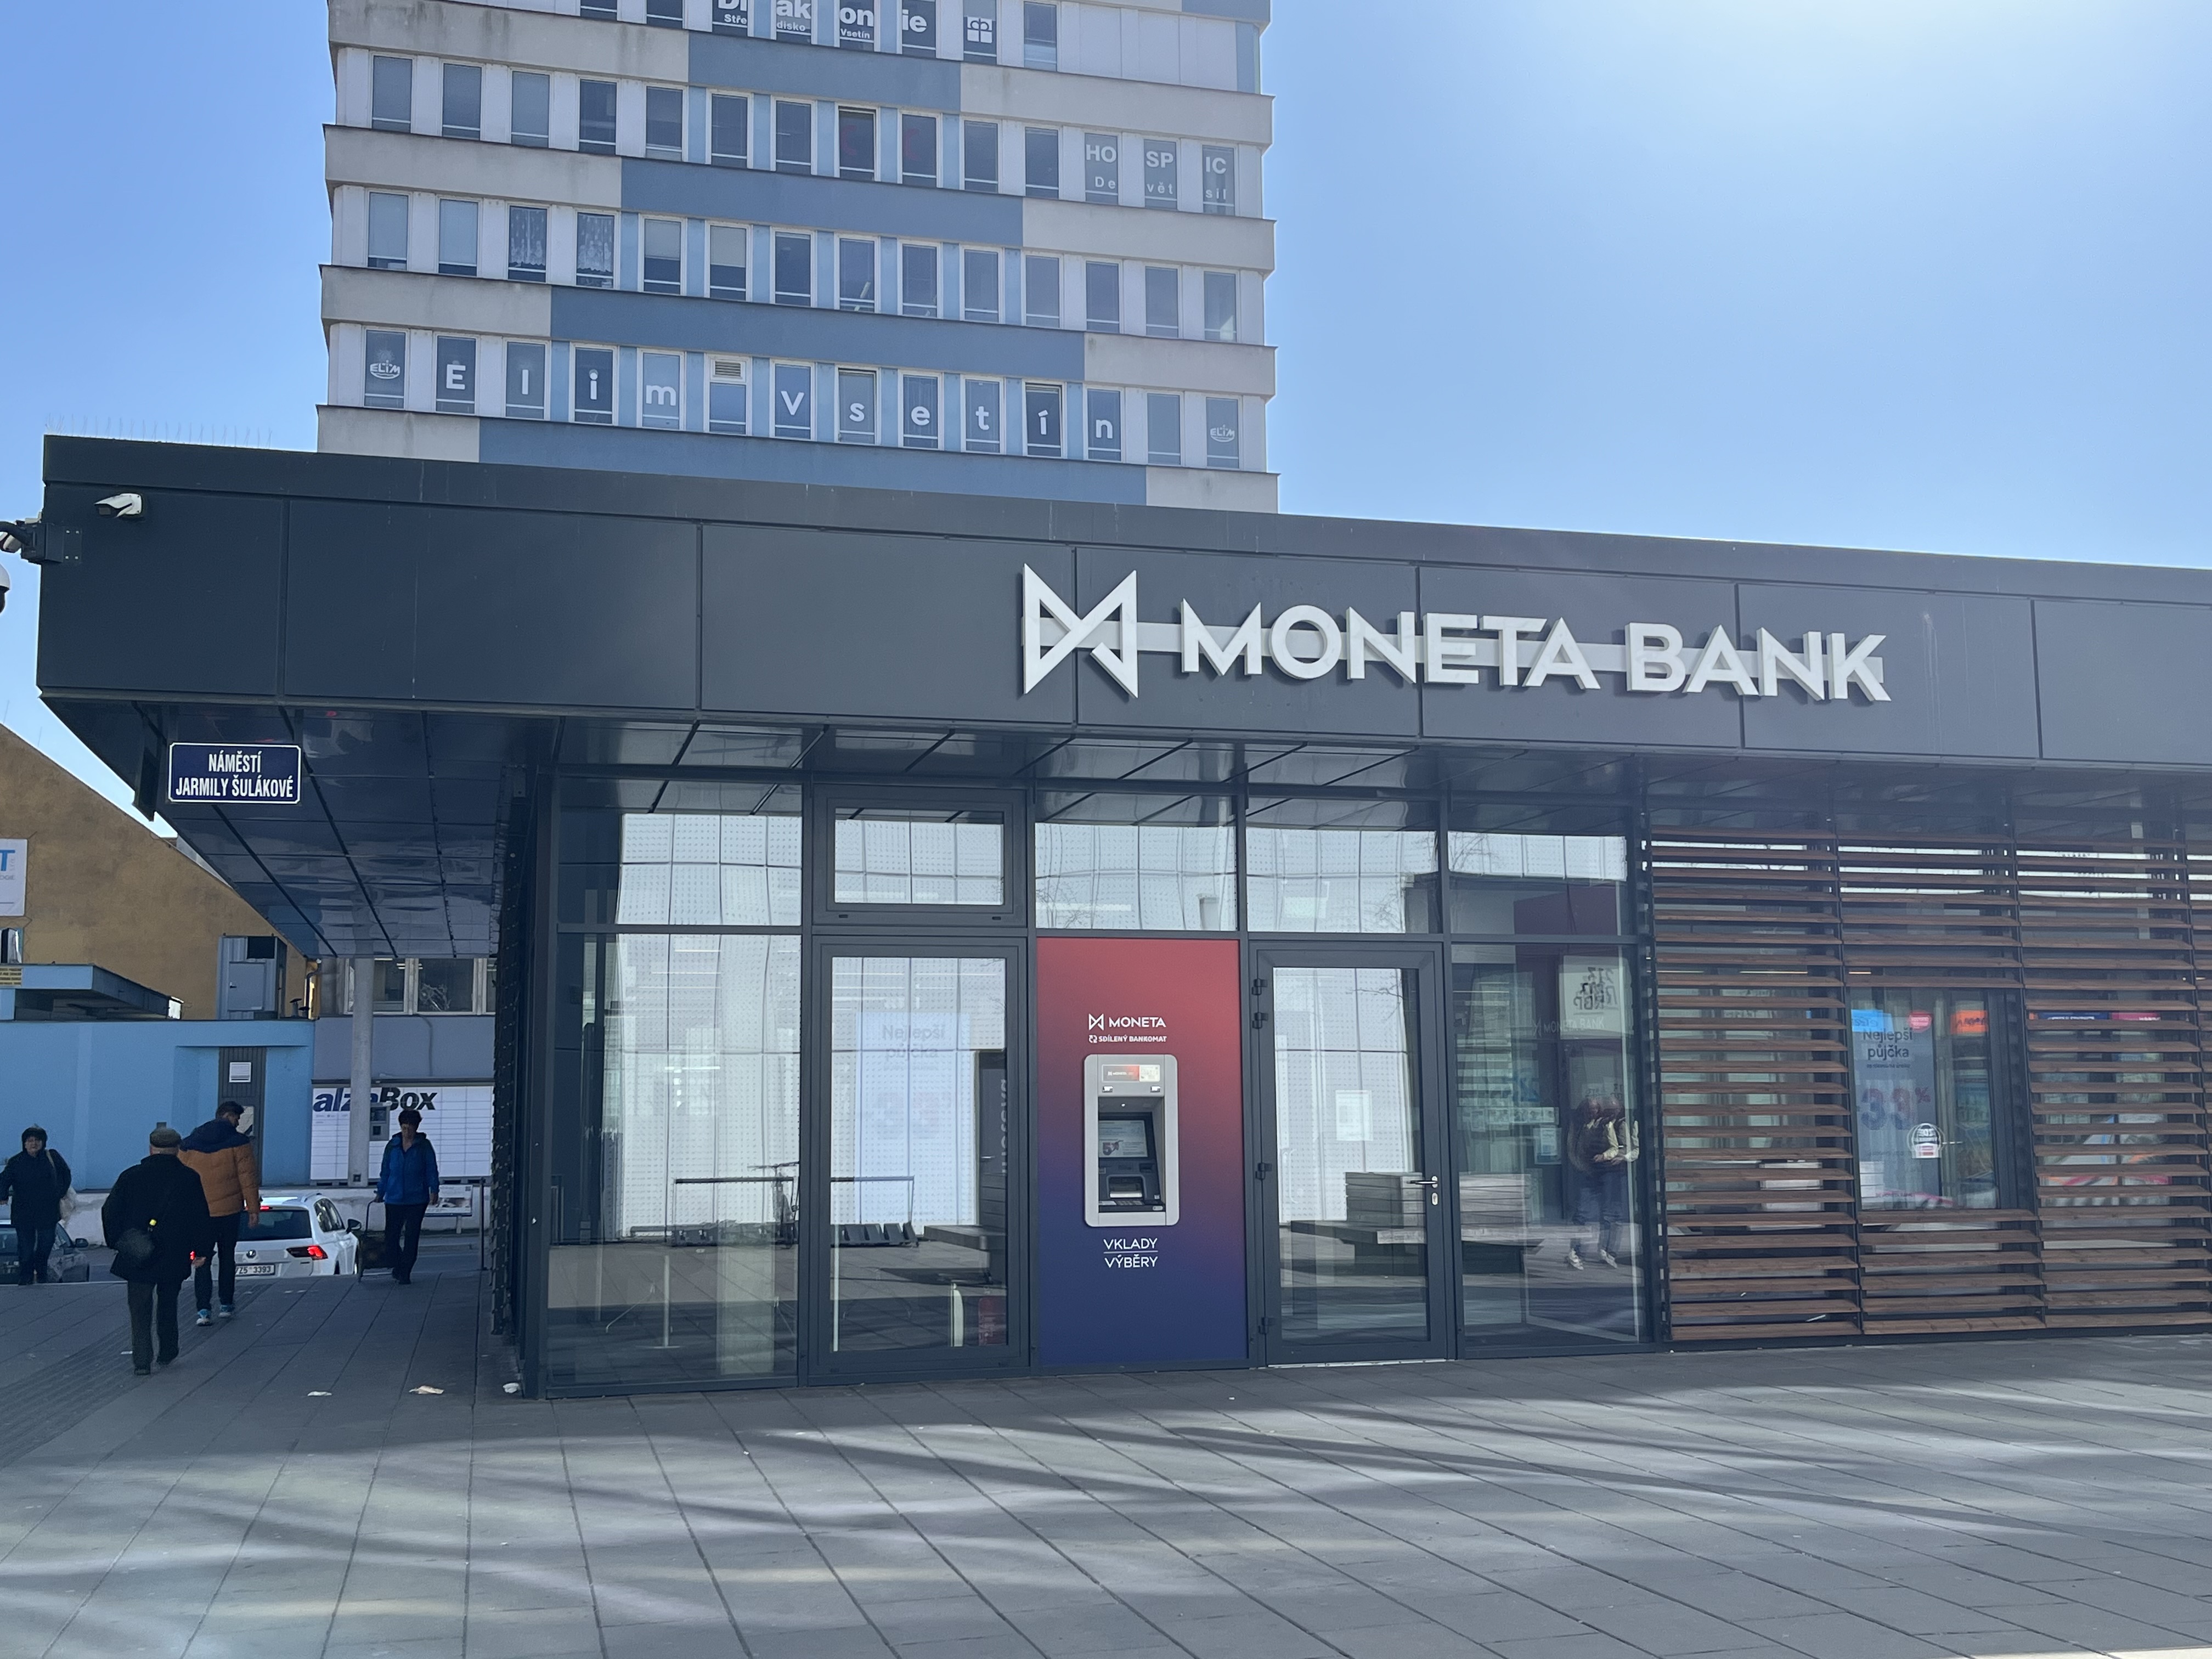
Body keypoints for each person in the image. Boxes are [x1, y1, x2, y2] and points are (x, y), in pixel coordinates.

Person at [102, 1127, 213, 1376]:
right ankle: (168, 1351)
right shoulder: (188, 1178)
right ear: (178, 1149)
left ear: (151, 1148)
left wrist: (119, 1242)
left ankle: (142, 1361)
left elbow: (110, 1212)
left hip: (138, 1253)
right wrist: (202, 1250)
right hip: (174, 1253)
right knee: (168, 1303)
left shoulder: (130, 1176)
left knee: (139, 1308)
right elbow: (200, 1217)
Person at [178, 1100, 259, 1326]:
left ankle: (203, 1310)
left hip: (200, 1214)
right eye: (237, 1118)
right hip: (229, 1211)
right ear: (228, 1116)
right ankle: (226, 1304)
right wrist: (253, 1209)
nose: (238, 1123)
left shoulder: (189, 1143)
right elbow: (247, 1178)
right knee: (227, 1258)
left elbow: (181, 1180)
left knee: (202, 1260)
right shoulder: (239, 1143)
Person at [1564, 1095, 1635, 1271]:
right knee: (1582, 1213)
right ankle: (1577, 1252)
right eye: (1590, 1109)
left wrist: (1610, 1156)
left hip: (1609, 1172)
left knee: (1610, 1214)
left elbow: (1619, 1147)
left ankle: (1607, 1251)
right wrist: (1583, 1167)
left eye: (1596, 1109)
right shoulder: (1580, 1125)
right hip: (1589, 1172)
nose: (1593, 1112)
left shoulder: (1611, 1124)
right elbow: (1573, 1150)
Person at [0, 1127, 72, 1285]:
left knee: (46, 1245)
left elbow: (65, 1175)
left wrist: (59, 1193)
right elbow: (4, 1179)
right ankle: (25, 1277)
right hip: (23, 1214)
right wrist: (2, 1195)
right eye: (30, 1141)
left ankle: (41, 1272)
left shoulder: (52, 1157)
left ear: (43, 1143)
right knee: (25, 1249)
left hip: (48, 1212)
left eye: (37, 1140)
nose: (34, 1144)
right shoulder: (16, 1162)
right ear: (25, 1144)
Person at [377, 1107, 439, 1286]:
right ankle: (398, 1266)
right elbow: (385, 1171)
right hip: (394, 1198)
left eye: (411, 1128)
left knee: (412, 1237)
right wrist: (381, 1192)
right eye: (404, 1128)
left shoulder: (424, 1146)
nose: (407, 1132)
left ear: (416, 1128)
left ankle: (405, 1272)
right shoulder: (393, 1146)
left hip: (417, 1199)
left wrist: (434, 1189)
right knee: (391, 1237)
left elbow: (431, 1169)